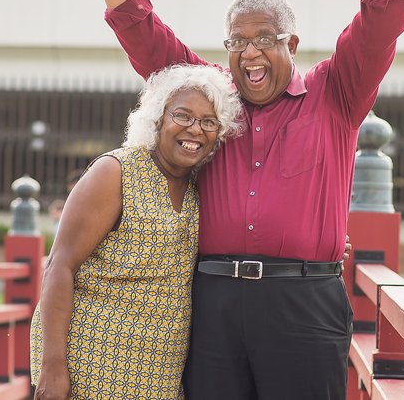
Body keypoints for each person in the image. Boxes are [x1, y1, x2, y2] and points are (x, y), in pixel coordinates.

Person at [75, 0, 404, 399]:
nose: (249, 53)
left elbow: (384, 9)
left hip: (304, 305)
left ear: (292, 43)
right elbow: (136, 22)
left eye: (263, 39)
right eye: (237, 41)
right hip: (213, 302)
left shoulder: (337, 92)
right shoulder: (205, 95)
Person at [30, 63, 244, 400]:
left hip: (160, 369)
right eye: (183, 116)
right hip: (93, 358)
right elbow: (59, 265)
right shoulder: (116, 171)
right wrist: (52, 364)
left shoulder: (197, 186)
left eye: (208, 122)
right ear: (158, 118)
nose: (195, 129)